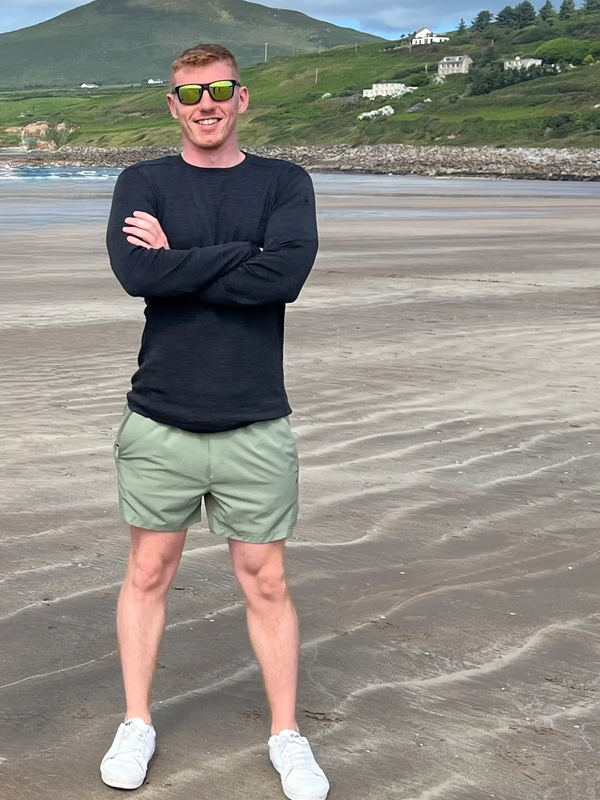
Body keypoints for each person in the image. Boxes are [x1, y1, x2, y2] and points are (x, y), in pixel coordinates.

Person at [102, 43, 329, 800]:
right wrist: (241, 258)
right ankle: (137, 721)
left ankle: (287, 735)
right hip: (160, 417)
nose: (206, 104)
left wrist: (186, 261)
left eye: (219, 90)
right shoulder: (143, 181)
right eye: (189, 93)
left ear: (242, 97)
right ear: (172, 103)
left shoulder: (283, 182)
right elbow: (138, 274)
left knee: (265, 582)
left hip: (255, 419)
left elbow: (285, 276)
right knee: (147, 572)